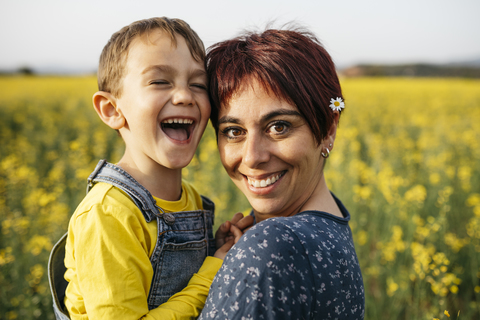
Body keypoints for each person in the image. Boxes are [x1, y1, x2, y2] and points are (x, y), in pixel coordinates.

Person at [59, 17, 252, 320]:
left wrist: (215, 249)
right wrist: (211, 274)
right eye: (160, 81)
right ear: (112, 110)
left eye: (198, 84)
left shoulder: (189, 197)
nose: (185, 96)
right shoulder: (109, 214)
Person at [199, 28, 365, 319]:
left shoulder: (272, 245)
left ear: (328, 129)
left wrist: (254, 254)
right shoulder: (333, 222)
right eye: (233, 131)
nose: (252, 157)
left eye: (279, 127)